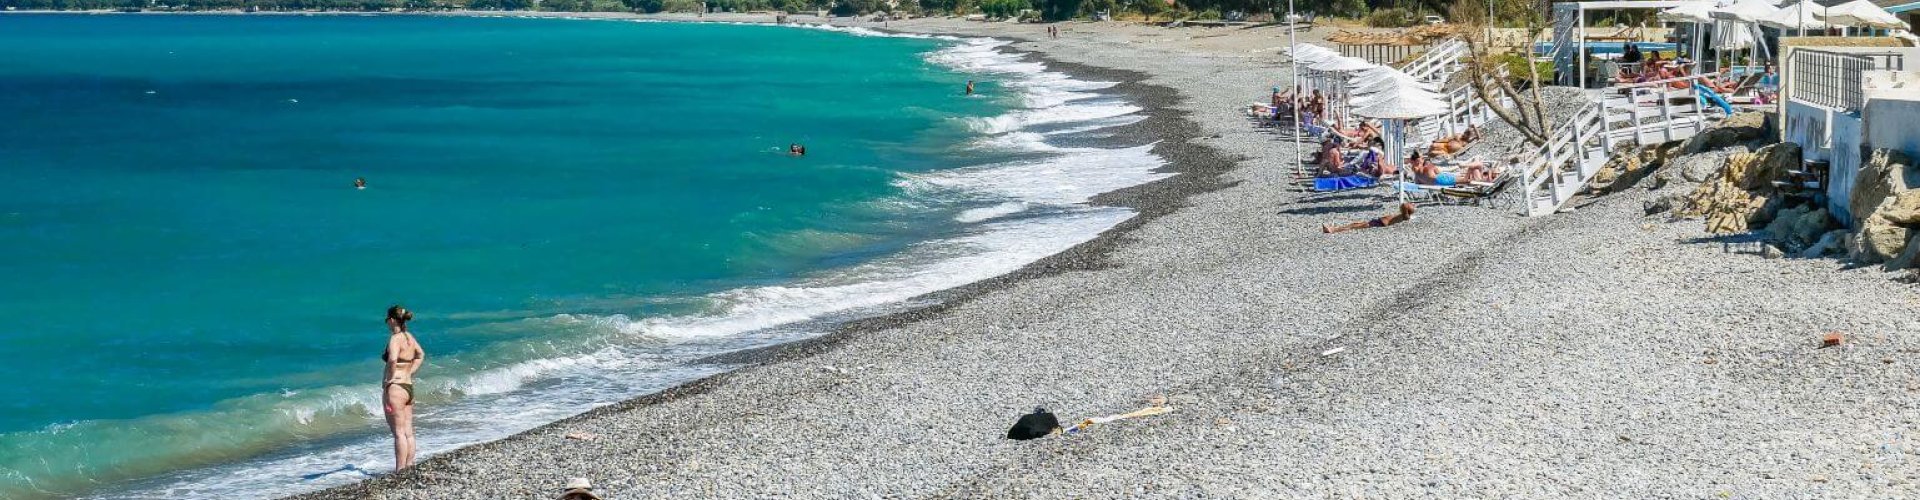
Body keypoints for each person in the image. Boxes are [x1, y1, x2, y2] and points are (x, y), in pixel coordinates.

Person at [381, 305, 425, 470]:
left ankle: (400, 469)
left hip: (396, 388)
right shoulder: (409, 337)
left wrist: (390, 379)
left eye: (387, 320)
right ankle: (409, 464)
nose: (387, 323)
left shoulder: (395, 339)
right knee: (408, 431)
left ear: (392, 320)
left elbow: (392, 360)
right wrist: (409, 371)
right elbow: (421, 355)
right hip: (408, 386)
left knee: (398, 432)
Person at [1323, 202, 1416, 234]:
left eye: (1410, 205)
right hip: (1379, 222)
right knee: (1355, 224)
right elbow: (1404, 206)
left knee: (1353, 226)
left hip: (1379, 224)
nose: (1411, 204)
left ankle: (1333, 230)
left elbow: (1404, 205)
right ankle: (1333, 229)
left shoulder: (1405, 216)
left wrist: (1410, 207)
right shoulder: (1404, 216)